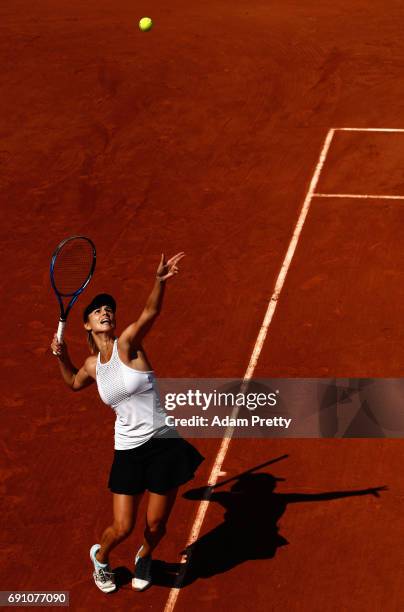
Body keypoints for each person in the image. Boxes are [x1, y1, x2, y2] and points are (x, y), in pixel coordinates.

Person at [50, 253, 204, 593]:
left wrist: (159, 282)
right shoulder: (93, 365)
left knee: (155, 524)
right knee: (122, 527)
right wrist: (63, 358)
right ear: (88, 325)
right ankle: (101, 559)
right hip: (128, 449)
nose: (106, 312)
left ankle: (145, 557)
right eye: (97, 310)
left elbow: (150, 313)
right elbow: (74, 382)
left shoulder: (129, 344)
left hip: (162, 442)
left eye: (109, 309)